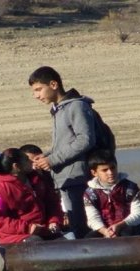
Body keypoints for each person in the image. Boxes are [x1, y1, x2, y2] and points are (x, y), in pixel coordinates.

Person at [28, 66, 102, 239]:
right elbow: (64, 143)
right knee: (77, 225)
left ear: (53, 84)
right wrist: (46, 155)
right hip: (67, 178)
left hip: (78, 177)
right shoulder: (59, 109)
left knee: (81, 226)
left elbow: (85, 140)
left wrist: (52, 160)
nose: (36, 96)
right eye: (34, 91)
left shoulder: (76, 106)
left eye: (39, 89)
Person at [0, 147, 64, 244]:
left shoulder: (37, 180)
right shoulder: (1, 190)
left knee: (64, 245)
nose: (31, 161)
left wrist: (53, 221)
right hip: (14, 234)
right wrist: (28, 228)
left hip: (43, 230)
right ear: (16, 166)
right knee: (36, 243)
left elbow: (51, 202)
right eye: (27, 160)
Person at [83, 149, 140, 238]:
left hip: (130, 226)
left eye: (113, 167)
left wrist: (119, 225)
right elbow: (93, 219)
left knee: (125, 233)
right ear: (94, 173)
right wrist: (105, 231)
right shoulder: (89, 194)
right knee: (88, 239)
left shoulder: (131, 188)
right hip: (105, 230)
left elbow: (138, 214)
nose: (110, 173)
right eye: (105, 170)